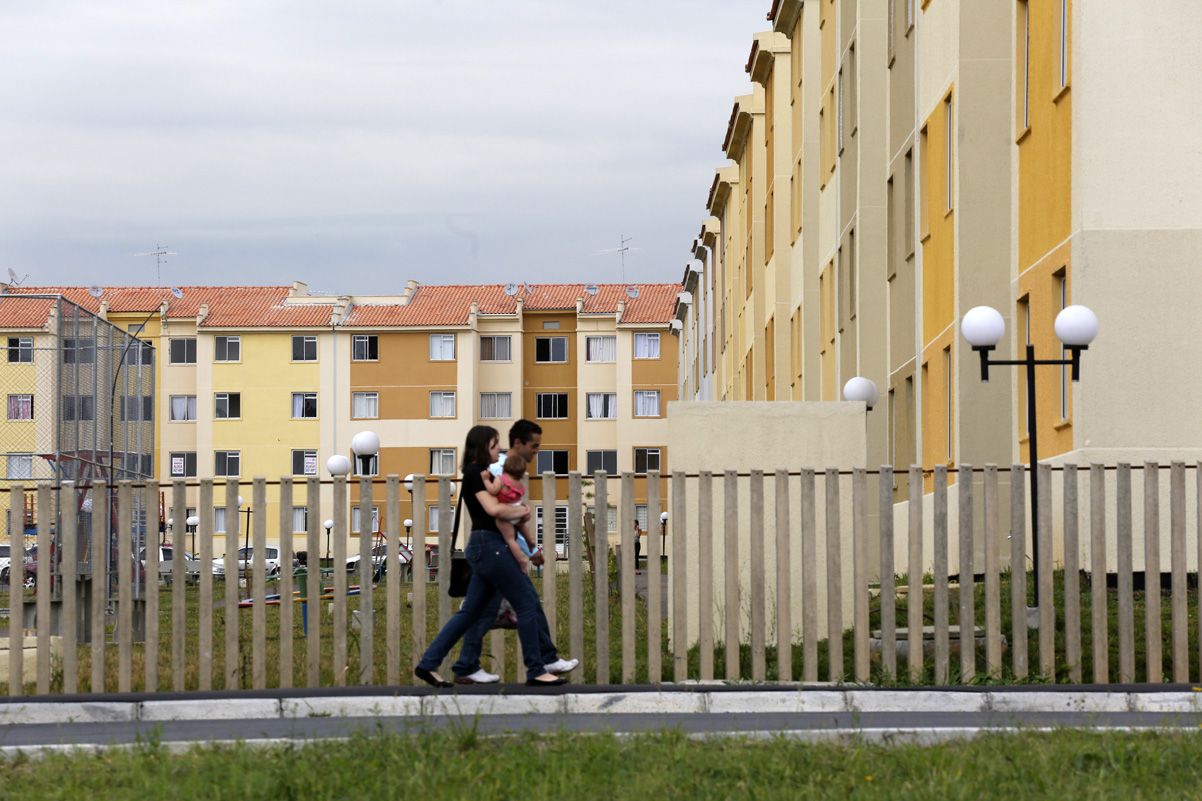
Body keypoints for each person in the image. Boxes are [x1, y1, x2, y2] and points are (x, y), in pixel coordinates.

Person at [414, 424, 571, 688]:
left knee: (471, 612)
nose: (500, 448)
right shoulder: (475, 474)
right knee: (526, 604)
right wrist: (522, 511)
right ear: (482, 447)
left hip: (487, 546)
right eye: (495, 444)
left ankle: (436, 665)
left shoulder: (481, 474)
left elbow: (500, 506)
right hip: (491, 547)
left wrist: (520, 516)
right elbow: (494, 509)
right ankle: (536, 669)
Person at [481, 452, 534, 572]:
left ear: (504, 468)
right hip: (519, 511)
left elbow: (493, 490)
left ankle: (521, 560)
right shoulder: (520, 484)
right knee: (522, 527)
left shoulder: (501, 479)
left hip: (507, 514)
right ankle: (530, 541)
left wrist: (486, 480)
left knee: (510, 539)